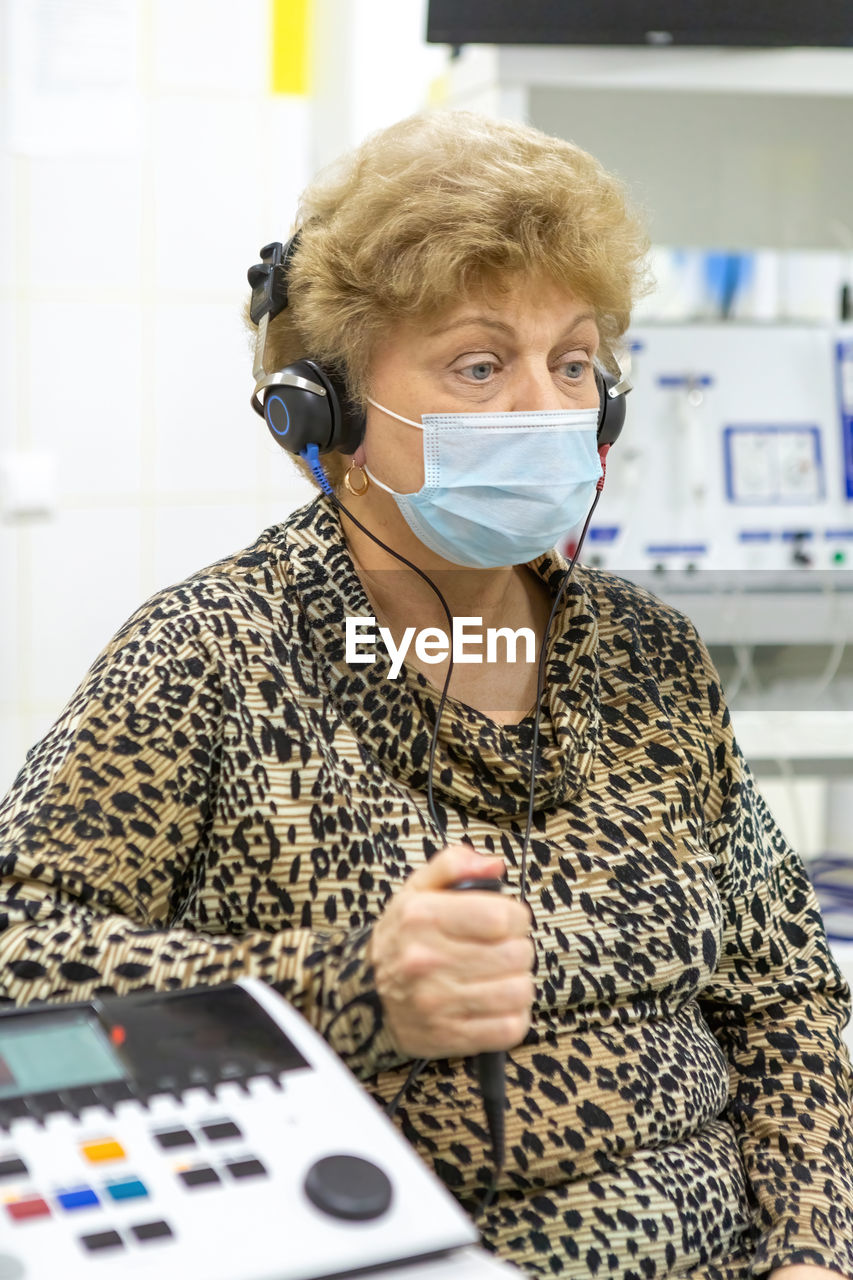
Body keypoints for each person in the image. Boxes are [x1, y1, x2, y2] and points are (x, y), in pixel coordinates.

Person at [0, 109, 851, 1279]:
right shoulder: (209, 656)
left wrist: (812, 1246)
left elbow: (787, 1000)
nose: (545, 406)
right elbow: (22, 956)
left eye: (572, 361)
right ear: (331, 410)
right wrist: (352, 983)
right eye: (479, 362)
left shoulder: (650, 657)